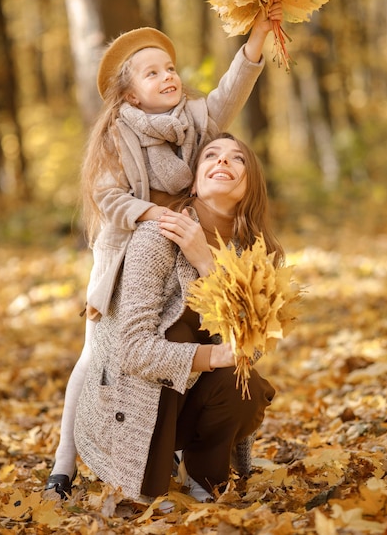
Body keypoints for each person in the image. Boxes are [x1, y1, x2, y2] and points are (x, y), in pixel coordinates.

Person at [45, 1, 283, 498]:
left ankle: (192, 447)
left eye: (170, 68)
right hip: (128, 249)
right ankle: (63, 462)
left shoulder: (195, 122)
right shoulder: (119, 133)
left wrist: (256, 39)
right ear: (130, 92)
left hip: (183, 239)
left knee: (190, 327)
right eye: (152, 73)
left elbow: (230, 93)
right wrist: (152, 215)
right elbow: (107, 197)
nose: (168, 76)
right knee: (95, 354)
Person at [74, 133, 284, 510]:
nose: (223, 162)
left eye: (237, 159)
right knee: (177, 330)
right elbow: (132, 351)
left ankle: (203, 476)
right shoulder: (157, 235)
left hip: (190, 405)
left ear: (251, 181)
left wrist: (206, 262)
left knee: (247, 385)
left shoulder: (254, 253)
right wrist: (210, 357)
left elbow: (247, 351)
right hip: (128, 408)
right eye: (211, 157)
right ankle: (150, 477)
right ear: (195, 181)